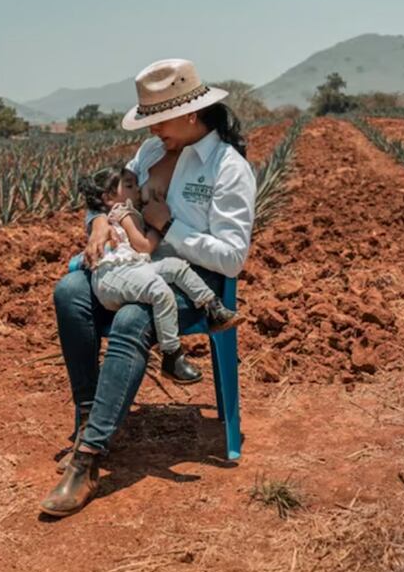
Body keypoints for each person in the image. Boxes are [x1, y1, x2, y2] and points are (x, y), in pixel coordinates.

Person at [42, 59, 257, 517]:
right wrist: (98, 221)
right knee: (69, 292)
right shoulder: (149, 152)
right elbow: (109, 195)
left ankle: (88, 459)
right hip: (132, 266)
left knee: (133, 316)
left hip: (193, 281)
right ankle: (88, 418)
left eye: (159, 119)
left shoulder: (228, 168)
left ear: (191, 114)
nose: (153, 129)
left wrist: (171, 228)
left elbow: (232, 258)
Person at [77, 163, 241, 381]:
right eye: (129, 186)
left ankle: (212, 307)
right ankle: (172, 354)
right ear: (108, 197)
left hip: (132, 268)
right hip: (114, 274)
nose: (137, 189)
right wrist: (160, 225)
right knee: (160, 292)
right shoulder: (123, 213)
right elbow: (144, 246)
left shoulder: (124, 212)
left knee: (175, 267)